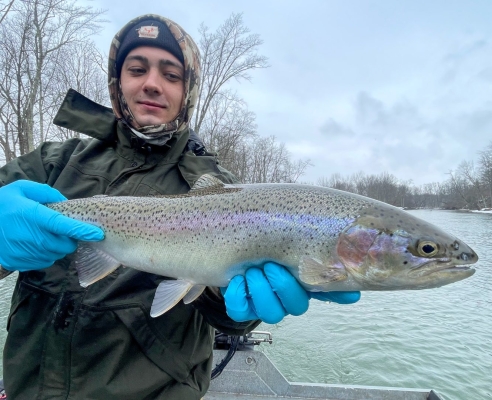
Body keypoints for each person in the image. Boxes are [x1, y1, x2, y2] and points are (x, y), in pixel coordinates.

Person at [0, 14, 360, 400]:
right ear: (117, 81)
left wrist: (240, 307)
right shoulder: (53, 163)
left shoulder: (224, 191)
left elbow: (226, 316)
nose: (152, 84)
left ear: (188, 90)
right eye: (137, 69)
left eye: (171, 75)